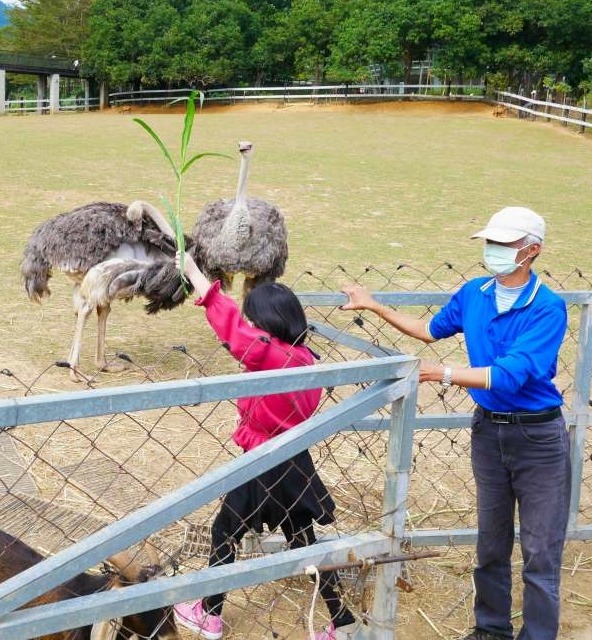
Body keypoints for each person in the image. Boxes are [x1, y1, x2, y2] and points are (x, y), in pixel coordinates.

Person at [340, 206, 569, 640]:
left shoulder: (546, 308)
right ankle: (491, 629)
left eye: (504, 244)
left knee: (540, 550)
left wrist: (440, 373)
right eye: (490, 243)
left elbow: (508, 374)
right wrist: (374, 306)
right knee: (491, 542)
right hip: (488, 431)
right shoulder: (474, 293)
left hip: (537, 437)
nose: (493, 251)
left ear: (531, 250)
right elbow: (430, 329)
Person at [173, 254, 357, 640]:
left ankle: (209, 614)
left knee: (225, 529)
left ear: (268, 325)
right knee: (303, 538)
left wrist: (193, 274)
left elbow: (228, 323)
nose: (251, 325)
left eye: (255, 320)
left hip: (262, 459)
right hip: (293, 460)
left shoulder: (268, 353)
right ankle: (341, 621)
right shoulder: (306, 358)